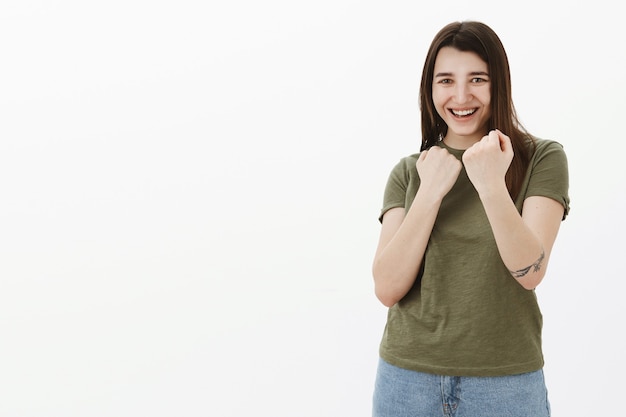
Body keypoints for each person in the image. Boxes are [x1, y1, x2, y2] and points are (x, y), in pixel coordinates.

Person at [371, 21, 569, 417]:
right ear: (430, 89)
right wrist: (429, 192)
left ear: (499, 84)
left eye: (477, 78)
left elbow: (529, 271)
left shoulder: (540, 158)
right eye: (446, 80)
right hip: (406, 379)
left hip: (505, 382)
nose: (461, 96)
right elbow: (387, 288)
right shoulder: (410, 172)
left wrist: (491, 184)